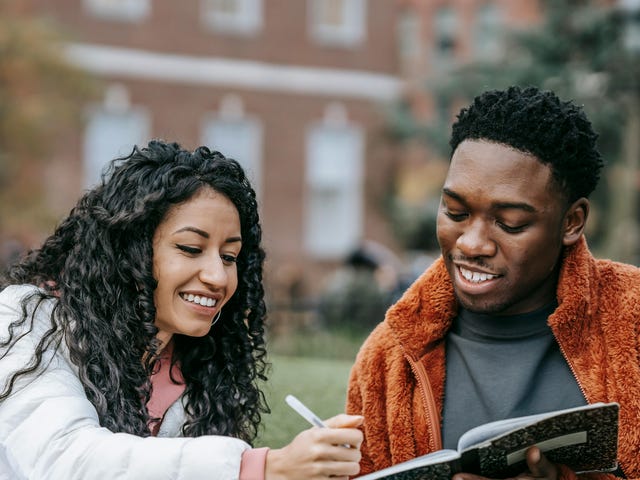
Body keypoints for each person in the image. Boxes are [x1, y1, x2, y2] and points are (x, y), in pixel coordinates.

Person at [0, 140, 363, 480]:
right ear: (130, 251)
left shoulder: (198, 365)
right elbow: (64, 461)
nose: (217, 276)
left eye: (229, 256)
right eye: (191, 248)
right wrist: (260, 468)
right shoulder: (26, 320)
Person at [346, 86, 640, 479]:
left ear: (572, 222)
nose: (471, 243)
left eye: (510, 223)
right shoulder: (389, 357)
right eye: (455, 212)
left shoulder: (632, 320)